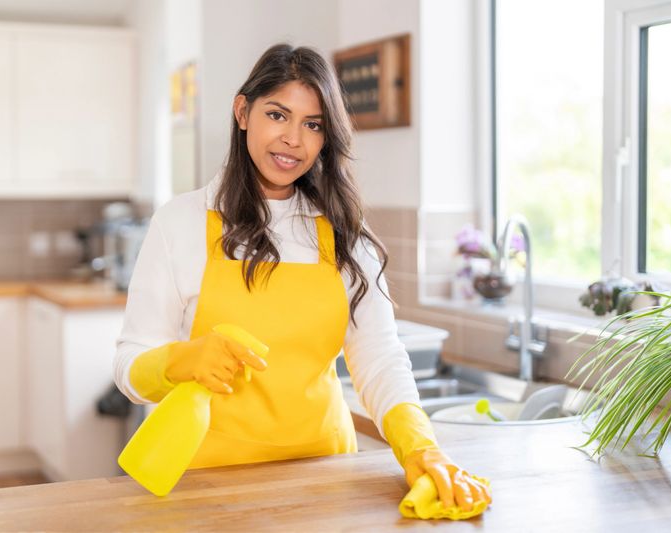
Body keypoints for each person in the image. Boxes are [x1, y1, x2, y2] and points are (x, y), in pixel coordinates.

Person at [114, 43, 491, 512]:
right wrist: (176, 361)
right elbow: (130, 364)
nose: (294, 139)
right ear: (242, 112)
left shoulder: (345, 233)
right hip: (207, 484)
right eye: (277, 115)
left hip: (325, 479)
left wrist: (420, 446)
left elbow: (378, 355)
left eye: (313, 125)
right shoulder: (181, 222)